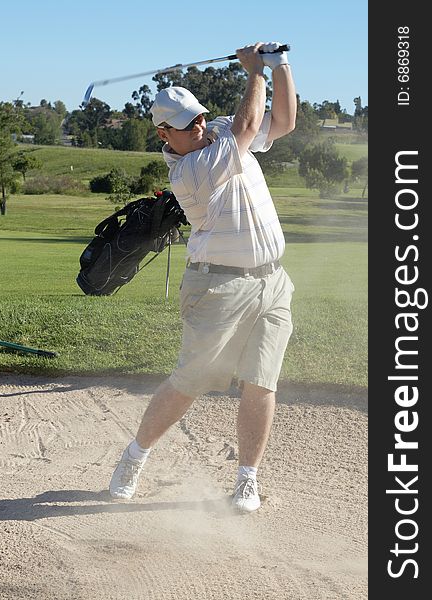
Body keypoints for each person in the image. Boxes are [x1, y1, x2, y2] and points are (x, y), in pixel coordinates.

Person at [109, 41, 297, 512]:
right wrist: (253, 71)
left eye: (196, 118)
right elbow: (249, 124)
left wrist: (279, 66)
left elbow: (283, 122)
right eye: (182, 126)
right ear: (162, 137)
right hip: (218, 286)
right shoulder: (190, 169)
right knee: (191, 381)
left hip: (272, 282)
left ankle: (246, 479)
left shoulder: (215, 133)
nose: (195, 128)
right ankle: (136, 455)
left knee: (261, 381)